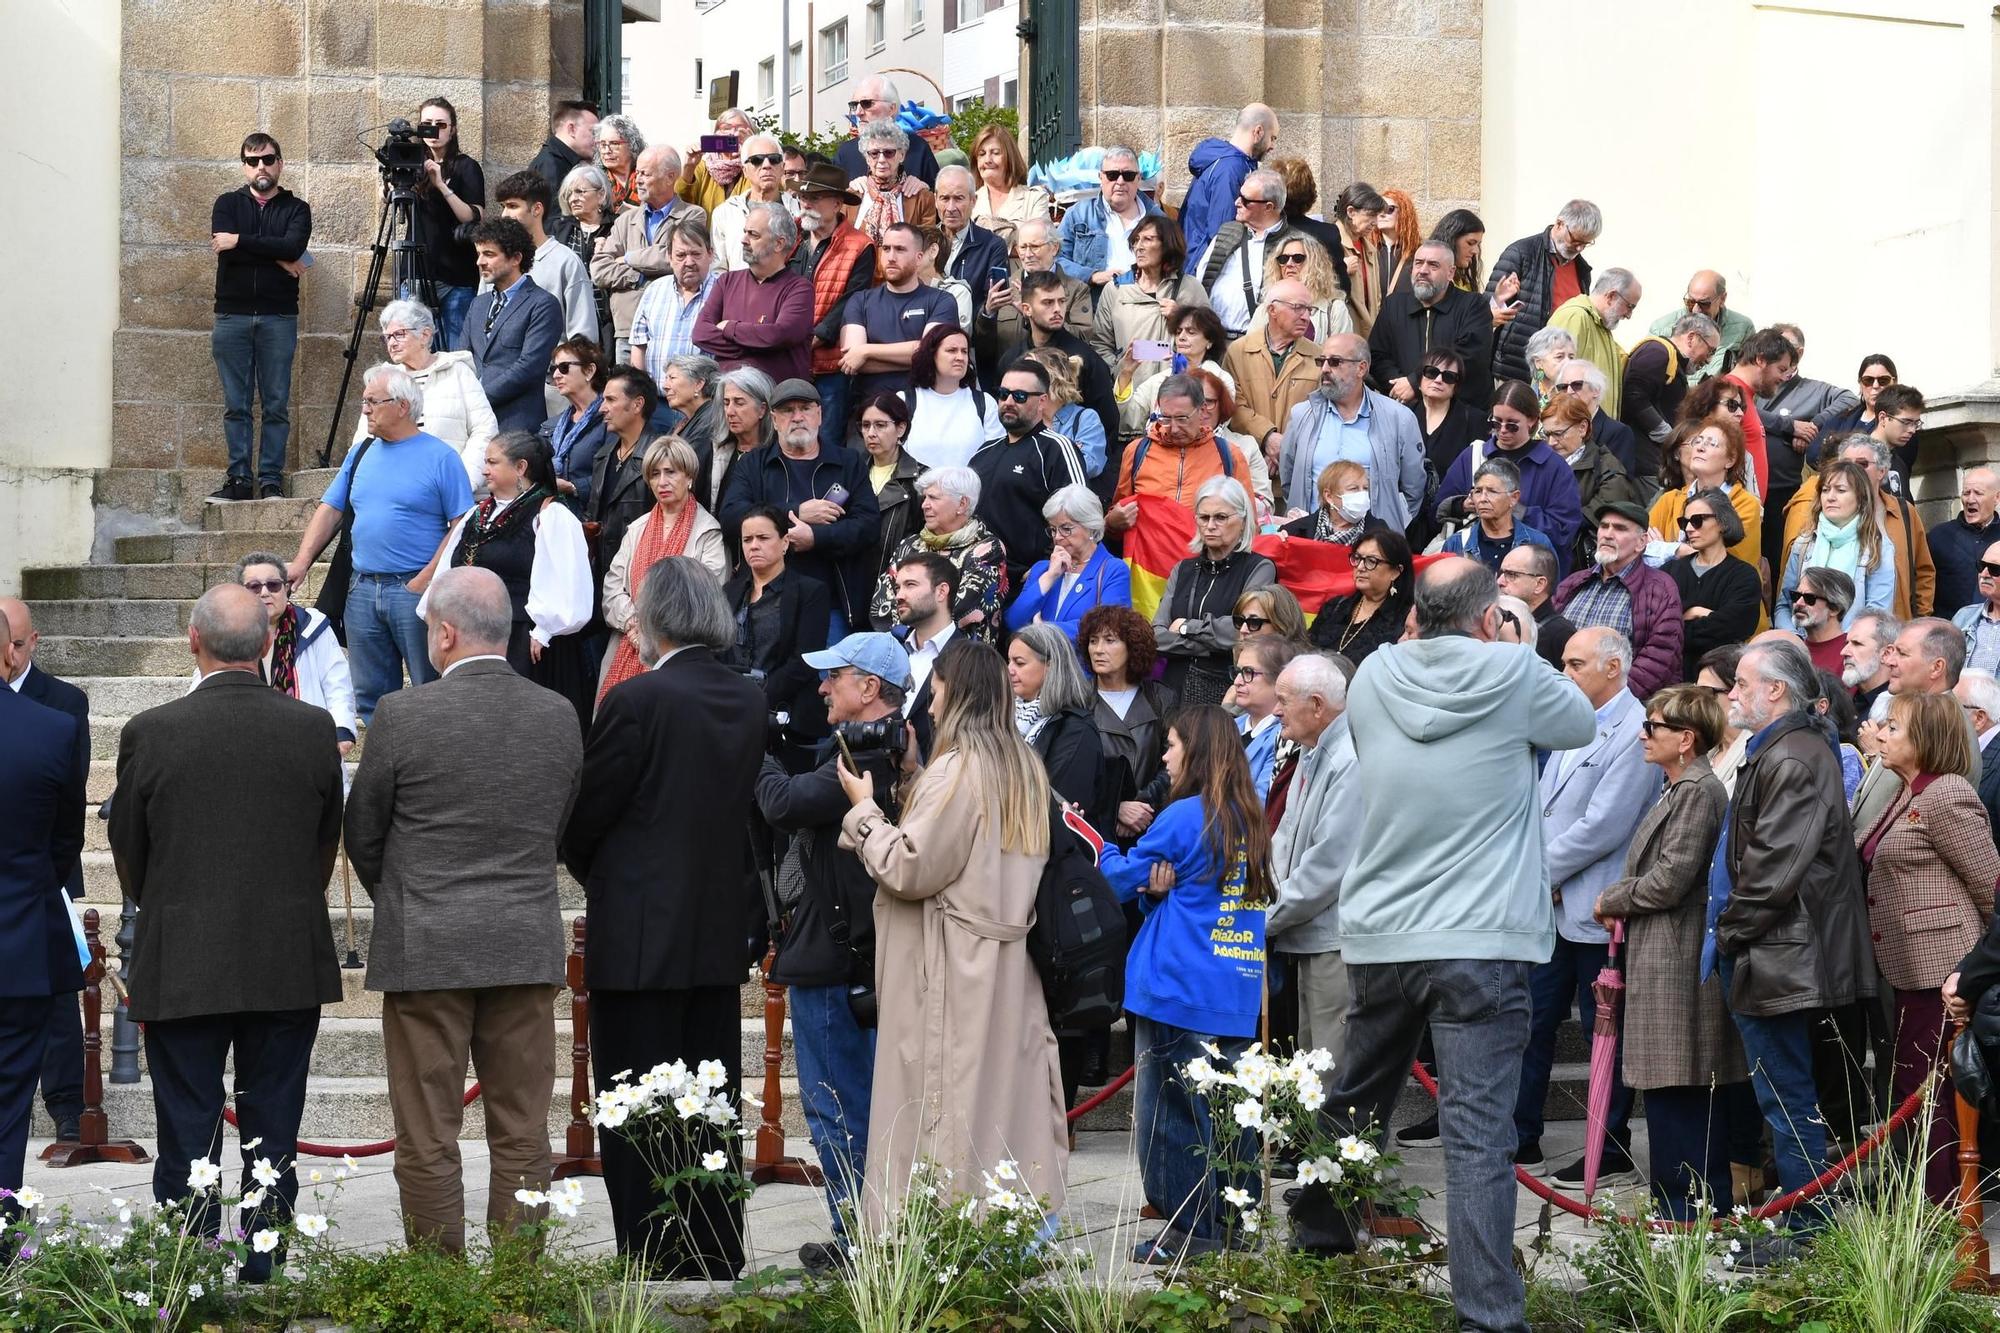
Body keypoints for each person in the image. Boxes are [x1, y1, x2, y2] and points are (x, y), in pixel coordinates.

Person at [1288, 557, 1595, 1333]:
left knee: (1355, 1099)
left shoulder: (1376, 675)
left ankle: (1318, 1236)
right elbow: (1580, 722)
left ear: (1415, 609)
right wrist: (1515, 648)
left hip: (1384, 929)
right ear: (1491, 616)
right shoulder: (1514, 671)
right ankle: (1488, 1318)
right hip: (1483, 937)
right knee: (1480, 1137)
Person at [341, 564, 584, 1251]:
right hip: (523, 939)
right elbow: (560, 824)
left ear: (446, 632)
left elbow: (364, 831)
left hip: (427, 947)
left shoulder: (403, 712)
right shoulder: (557, 713)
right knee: (522, 1128)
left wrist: (412, 895)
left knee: (426, 1131)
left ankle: (440, 1292)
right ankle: (514, 1289)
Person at [109, 584, 341, 1279]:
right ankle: (261, 1264)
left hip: (184, 950)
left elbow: (130, 853)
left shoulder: (150, 731)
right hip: (282, 951)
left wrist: (172, 899)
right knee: (273, 1120)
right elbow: (324, 845)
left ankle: (190, 1260)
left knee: (186, 1120)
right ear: (269, 644)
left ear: (193, 641)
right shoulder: (311, 728)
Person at [563, 558, 764, 1275]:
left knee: (638, 1106)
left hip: (640, 933)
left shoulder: (637, 699)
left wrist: (607, 878)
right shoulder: (744, 698)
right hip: (713, 930)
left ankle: (654, 1252)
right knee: (709, 1103)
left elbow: (586, 816)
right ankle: (714, 1246)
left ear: (655, 618)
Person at [834, 639, 1066, 1226]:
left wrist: (863, 810)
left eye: (934, 693)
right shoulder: (1023, 765)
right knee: (1001, 1107)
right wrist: (915, 778)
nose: (929, 709)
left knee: (942, 1110)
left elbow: (911, 867)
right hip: (1007, 962)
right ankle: (1009, 1231)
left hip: (949, 967)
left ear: (955, 693)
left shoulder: (961, 768)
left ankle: (935, 1241)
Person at [1710, 638, 1876, 1260]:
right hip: (1776, 947)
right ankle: (1807, 1224)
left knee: (1786, 1098)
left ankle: (1808, 1233)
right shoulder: (1786, 749)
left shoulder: (1796, 755)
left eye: (1742, 684)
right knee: (1784, 1095)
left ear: (1776, 691)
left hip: (1780, 950)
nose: (1730, 694)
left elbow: (1774, 871)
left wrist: (1728, 932)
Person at [754, 633, 909, 1272]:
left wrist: (753, 748)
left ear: (868, 688)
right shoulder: (890, 744)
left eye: (833, 677)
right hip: (860, 956)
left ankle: (861, 1240)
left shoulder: (867, 756)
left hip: (838, 961)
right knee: (861, 1103)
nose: (821, 688)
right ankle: (877, 1233)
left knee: (837, 1105)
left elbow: (782, 803)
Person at [1099, 705, 1272, 1263]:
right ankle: (1232, 1224)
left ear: (1194, 753)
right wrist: (1160, 891)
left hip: (1177, 983)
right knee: (1230, 1114)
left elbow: (1122, 878)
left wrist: (1097, 848)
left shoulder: (1181, 815)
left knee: (1171, 1117)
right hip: (1234, 982)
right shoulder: (1249, 814)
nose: (1166, 756)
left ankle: (1186, 1230)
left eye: (1172, 746)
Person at [1589, 683, 1744, 1220]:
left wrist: (1611, 897)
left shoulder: (1698, 791)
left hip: (1677, 959)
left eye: (1653, 727)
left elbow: (1673, 878)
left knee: (1680, 1081)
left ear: (1686, 738)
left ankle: (1690, 1206)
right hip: (1661, 953)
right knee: (1667, 1083)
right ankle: (1678, 1203)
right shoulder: (1677, 788)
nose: (1642, 734)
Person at [1513, 627, 1660, 1181]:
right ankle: (1521, 1134)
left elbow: (1605, 824)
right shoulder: (1572, 720)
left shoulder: (1635, 728)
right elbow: (1543, 804)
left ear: (1614, 667)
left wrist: (1540, 872)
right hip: (1550, 903)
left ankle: (1610, 1143)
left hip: (1595, 903)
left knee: (1605, 1030)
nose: (1565, 673)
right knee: (1532, 1019)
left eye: (1577, 664)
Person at [1859, 691, 1999, 1204]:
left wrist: (1974, 973)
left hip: (1944, 972)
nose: (1883, 734)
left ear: (1926, 739)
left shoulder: (1947, 795)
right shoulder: (1904, 793)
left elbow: (1991, 888)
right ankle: (1923, 1202)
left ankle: (1940, 1211)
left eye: (1894, 727)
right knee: (1915, 1090)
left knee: (1932, 1094)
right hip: (1908, 969)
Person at [286, 364, 474, 721]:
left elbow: (462, 523)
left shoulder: (441, 457)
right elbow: (330, 509)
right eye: (364, 401)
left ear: (402, 406)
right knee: (370, 696)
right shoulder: (360, 453)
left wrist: (427, 577)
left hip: (415, 591)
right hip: (361, 589)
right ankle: (385, 766)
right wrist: (301, 561)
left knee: (429, 686)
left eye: (373, 401)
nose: (365, 409)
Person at [414, 432, 595, 726]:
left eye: (492, 462)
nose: (485, 470)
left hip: (526, 645)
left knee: (518, 725)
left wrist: (545, 631)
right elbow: (447, 573)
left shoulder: (551, 515)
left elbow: (567, 581)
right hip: (470, 639)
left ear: (520, 467)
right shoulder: (476, 515)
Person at [0, 602, 84, 1223]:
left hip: (24, 938)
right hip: (20, 941)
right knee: (8, 1107)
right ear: (10, 653)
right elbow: (63, 848)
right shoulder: (51, 730)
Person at [717, 377, 882, 638]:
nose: (797, 417)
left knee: (829, 679)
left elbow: (869, 525)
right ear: (773, 419)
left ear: (819, 414)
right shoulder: (753, 464)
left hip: (834, 605)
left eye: (805, 408)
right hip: (766, 600)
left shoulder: (848, 463)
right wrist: (795, 513)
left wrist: (815, 538)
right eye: (787, 410)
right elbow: (730, 517)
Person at [1264, 653, 1357, 1075]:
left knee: (1330, 1069)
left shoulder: (1349, 759)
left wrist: (1266, 917)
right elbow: (1283, 839)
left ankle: (1335, 1144)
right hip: (1306, 933)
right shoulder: (1311, 749)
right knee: (1309, 1066)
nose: (1276, 709)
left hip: (1333, 940)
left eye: (1284, 700)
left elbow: (1327, 865)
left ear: (1317, 705)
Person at [208, 132, 312, 501]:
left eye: (267, 159)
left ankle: (270, 478)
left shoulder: (296, 209)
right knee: (236, 405)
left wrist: (242, 241)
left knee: (276, 403)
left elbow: (293, 246)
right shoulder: (227, 203)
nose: (261, 167)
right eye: (253, 162)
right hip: (232, 317)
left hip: (278, 317)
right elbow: (226, 252)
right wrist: (277, 257)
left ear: (280, 163)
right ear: (244, 167)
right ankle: (239, 478)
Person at [1273, 332, 1427, 532]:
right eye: (1322, 361)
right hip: (1311, 541)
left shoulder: (1399, 418)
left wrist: (1390, 525)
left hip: (1373, 543)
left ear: (1361, 368)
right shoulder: (1302, 414)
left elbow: (1413, 488)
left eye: (1335, 362)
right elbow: (1289, 480)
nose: (1325, 369)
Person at [348, 299, 500, 491]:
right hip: (398, 493)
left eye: (398, 334)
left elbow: (485, 429)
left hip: (455, 490)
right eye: (387, 337)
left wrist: (461, 482)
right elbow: (363, 441)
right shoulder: (382, 381)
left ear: (425, 335)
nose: (391, 343)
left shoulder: (458, 372)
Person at [724, 504, 833, 771]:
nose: (753, 546)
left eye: (763, 538)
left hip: (788, 719)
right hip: (732, 716)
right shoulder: (728, 592)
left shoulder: (811, 591)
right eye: (747, 540)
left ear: (785, 543)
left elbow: (804, 661)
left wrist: (756, 700)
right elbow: (719, 652)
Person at [1436, 380, 1586, 573]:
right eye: (1496, 423)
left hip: (1529, 574)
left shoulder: (1554, 467)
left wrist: (1515, 510)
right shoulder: (1473, 456)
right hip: (1472, 570)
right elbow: (1436, 512)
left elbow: (1565, 531)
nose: (1503, 430)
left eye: (1512, 425)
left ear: (1532, 420)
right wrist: (1462, 505)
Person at [1152, 476, 1276, 705]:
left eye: (1220, 517)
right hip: (1171, 691)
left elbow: (1241, 632)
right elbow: (1157, 637)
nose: (1210, 525)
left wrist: (1186, 627)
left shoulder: (1259, 568)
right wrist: (1209, 646)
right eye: (1204, 517)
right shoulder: (1183, 569)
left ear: (1242, 520)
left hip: (1224, 691)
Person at [969, 359, 1089, 589]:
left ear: (1042, 401)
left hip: (1029, 582)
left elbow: (1080, 516)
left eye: (1020, 396)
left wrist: (1045, 568)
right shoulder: (984, 451)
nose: (1009, 402)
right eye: (1003, 394)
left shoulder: (1057, 448)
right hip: (978, 579)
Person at [1554, 500, 1685, 698]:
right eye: (1604, 526)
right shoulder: (1574, 583)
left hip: (1622, 708)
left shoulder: (1661, 589)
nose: (1607, 534)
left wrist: (1607, 700)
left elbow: (1659, 659)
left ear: (1641, 542)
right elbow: (1547, 637)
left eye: (1620, 529)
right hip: (1561, 696)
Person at [225, 556, 357, 751]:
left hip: (306, 741)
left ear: (286, 588)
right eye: (254, 587)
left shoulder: (311, 626)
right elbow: (206, 680)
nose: (264, 593)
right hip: (246, 744)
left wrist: (342, 729)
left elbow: (337, 682)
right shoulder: (227, 632)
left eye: (273, 585)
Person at [1092, 215, 1212, 430]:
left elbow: (1210, 341)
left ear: (1167, 244)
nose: (1139, 246)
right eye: (1136, 240)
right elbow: (1100, 344)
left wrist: (1182, 317)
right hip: (1129, 397)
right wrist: (1120, 368)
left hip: (1177, 400)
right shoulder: (1117, 289)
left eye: (1148, 239)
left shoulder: (1189, 288)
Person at [788, 164, 878, 447]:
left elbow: (853, 299)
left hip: (830, 364)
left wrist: (818, 335)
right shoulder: (791, 237)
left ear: (837, 203)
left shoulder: (860, 245)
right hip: (788, 357)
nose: (806, 203)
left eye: (815, 198)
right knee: (786, 440)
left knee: (826, 441)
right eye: (804, 198)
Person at [590, 146, 707, 361]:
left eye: (645, 173)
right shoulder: (625, 219)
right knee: (629, 392)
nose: (638, 180)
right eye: (637, 173)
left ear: (670, 177)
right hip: (628, 329)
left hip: (672, 327)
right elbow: (599, 269)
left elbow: (675, 258)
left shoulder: (692, 215)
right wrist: (639, 276)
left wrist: (628, 258)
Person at [868, 465, 1009, 639]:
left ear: (962, 504)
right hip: (902, 649)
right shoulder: (910, 545)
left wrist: (914, 627)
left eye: (933, 498)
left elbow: (962, 610)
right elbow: (881, 605)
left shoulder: (987, 549)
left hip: (961, 657)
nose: (924, 505)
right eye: (924, 497)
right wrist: (909, 638)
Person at [462, 218, 565, 434]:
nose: (479, 262)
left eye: (489, 254)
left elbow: (529, 366)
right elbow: (462, 358)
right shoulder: (478, 304)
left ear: (516, 258)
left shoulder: (542, 304)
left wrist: (478, 398)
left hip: (517, 424)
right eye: (478, 254)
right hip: (473, 425)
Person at [1009, 622, 1115, 831]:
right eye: (1009, 661)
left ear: (1051, 666)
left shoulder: (1077, 730)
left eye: (1019, 663)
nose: (1009, 670)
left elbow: (1059, 803)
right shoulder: (1005, 715)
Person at [839, 222, 960, 403]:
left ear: (919, 257)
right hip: (870, 412)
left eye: (900, 249)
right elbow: (853, 361)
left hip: (924, 409)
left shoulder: (942, 301)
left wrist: (866, 350)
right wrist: (915, 355)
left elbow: (932, 353)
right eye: (886, 249)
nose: (891, 257)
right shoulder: (860, 301)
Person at [693, 203, 814, 385]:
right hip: (728, 401)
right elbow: (700, 333)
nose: (743, 240)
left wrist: (730, 328)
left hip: (776, 403)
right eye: (745, 232)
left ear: (779, 244)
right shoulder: (726, 282)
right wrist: (758, 347)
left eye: (753, 235)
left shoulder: (799, 289)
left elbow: (779, 335)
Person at [1369, 240, 1494, 411]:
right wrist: (1399, 386)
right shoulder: (1394, 306)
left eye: (1433, 265)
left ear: (1451, 273)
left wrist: (1415, 383)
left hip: (1461, 414)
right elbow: (1377, 355)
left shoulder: (1473, 306)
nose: (1423, 271)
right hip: (1406, 410)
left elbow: (1469, 357)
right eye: (1418, 263)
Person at [1485, 198, 1600, 385]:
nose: (1579, 248)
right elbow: (1487, 310)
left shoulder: (1582, 270)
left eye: (1585, 244)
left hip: (1558, 375)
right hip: (1516, 368)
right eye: (1576, 240)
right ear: (1559, 223)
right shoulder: (1521, 253)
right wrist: (1498, 302)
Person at [1775, 460, 1895, 632]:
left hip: (1848, 649)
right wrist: (1794, 640)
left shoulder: (1877, 547)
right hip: (1802, 646)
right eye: (1825, 490)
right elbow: (1784, 604)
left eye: (1841, 490)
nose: (1830, 497)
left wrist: (1842, 645)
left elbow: (1878, 613)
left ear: (1860, 499)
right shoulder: (1804, 543)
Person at [409, 98, 486, 351]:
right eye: (427, 124)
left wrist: (441, 184)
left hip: (456, 276)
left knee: (455, 355)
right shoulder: (411, 166)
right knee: (415, 353)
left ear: (452, 129)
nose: (434, 131)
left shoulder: (466, 167)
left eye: (441, 124)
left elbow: (473, 216)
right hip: (417, 274)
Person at [1006, 484, 1131, 639]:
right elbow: (1013, 621)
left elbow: (1109, 626)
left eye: (1066, 528)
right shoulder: (1042, 570)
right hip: (1039, 662)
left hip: (1080, 662)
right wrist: (1050, 576)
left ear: (1090, 527)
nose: (1057, 537)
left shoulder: (1113, 570)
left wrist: (1045, 630)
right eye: (1053, 529)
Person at [1224, 279, 1323, 472]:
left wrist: (1285, 447)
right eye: (1298, 308)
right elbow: (1232, 405)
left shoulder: (1319, 357)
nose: (1306, 317)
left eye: (1309, 310)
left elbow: (1321, 412)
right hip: (1250, 466)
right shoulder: (1238, 351)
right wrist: (1267, 437)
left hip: (1299, 467)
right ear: (1272, 310)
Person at [1663, 488, 1763, 681]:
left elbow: (1735, 628)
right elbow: (1652, 623)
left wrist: (1682, 618)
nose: (1689, 528)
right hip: (1670, 681)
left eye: (1697, 520)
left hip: (1719, 684)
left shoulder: (1744, 576)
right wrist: (1703, 614)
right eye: (1684, 522)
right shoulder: (1670, 571)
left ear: (1722, 522)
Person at [1192, 168, 1303, 340]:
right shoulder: (1227, 232)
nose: (1237, 202)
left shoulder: (1294, 245)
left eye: (1246, 200)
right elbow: (1201, 281)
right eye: (1239, 195)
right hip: (1213, 340)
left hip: (1257, 344)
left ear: (1268, 207)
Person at [583, 366, 671, 575]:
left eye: (611, 400)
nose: (602, 408)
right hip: (601, 573)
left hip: (641, 572)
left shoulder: (661, 456)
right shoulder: (603, 456)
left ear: (637, 404)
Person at [491, 170, 597, 340]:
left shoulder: (565, 261)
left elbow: (582, 334)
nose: (504, 215)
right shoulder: (493, 259)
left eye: (512, 206)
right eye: (503, 207)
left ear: (537, 209)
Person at [1647, 417, 1763, 572]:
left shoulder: (1746, 504)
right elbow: (1639, 548)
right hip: (1668, 593)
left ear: (1730, 460)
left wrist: (1668, 550)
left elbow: (1723, 563)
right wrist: (1686, 551)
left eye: (1711, 443)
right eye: (1698, 441)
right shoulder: (1669, 500)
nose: (1700, 447)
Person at [1540, 394, 1639, 569]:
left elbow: (1597, 517)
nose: (1551, 442)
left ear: (1583, 428)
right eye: (1546, 434)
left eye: (1558, 433)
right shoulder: (1540, 462)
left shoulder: (1607, 467)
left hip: (1580, 562)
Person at [1178, 104, 1281, 270]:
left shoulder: (1228, 162)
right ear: (1258, 132)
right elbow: (1223, 233)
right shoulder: (1231, 169)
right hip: (1204, 269)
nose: (1272, 146)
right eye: (1273, 138)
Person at [1620, 311, 1719, 480]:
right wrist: (1666, 435)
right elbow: (1634, 394)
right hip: (1642, 462)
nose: (1709, 360)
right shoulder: (1657, 351)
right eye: (1710, 351)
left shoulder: (1672, 361)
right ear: (1692, 338)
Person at [1056, 146, 1165, 299]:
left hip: (1145, 308)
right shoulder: (1078, 214)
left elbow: (1175, 265)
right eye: (1112, 175)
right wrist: (1092, 276)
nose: (1120, 182)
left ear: (1138, 178)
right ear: (1101, 178)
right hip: (1093, 308)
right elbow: (1055, 260)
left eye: (1128, 175)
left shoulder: (1159, 219)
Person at [628, 218, 720, 389]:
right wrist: (641, 392)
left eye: (696, 254)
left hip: (706, 404)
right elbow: (639, 345)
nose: (689, 262)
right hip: (656, 402)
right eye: (681, 255)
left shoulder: (724, 290)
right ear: (670, 257)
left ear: (710, 254)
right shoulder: (654, 290)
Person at [901, 324, 1002, 469]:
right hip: (915, 490)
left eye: (964, 351)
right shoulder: (904, 401)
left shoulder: (985, 403)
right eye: (952, 350)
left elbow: (994, 459)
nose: (960, 357)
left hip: (969, 490)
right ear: (931, 354)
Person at [1545, 268, 1639, 421]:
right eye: (1630, 306)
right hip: (1573, 429)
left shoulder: (1602, 325)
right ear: (1611, 296)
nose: (1629, 315)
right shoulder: (1575, 317)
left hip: (1591, 429)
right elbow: (1553, 378)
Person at [1716, 328, 1795, 499]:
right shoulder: (1727, 394)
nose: (1783, 378)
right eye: (1781, 369)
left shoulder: (1744, 395)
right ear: (1760, 359)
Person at [1245, 227, 1355, 349]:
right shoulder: (1266, 308)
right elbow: (1249, 350)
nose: (1289, 264)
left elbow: (1342, 356)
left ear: (1316, 264)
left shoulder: (1334, 309)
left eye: (1298, 258)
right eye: (1283, 259)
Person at [1442, 457, 1555, 574]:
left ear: (1514, 498)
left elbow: (1548, 589)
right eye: (1478, 491)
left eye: (1492, 491)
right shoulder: (1456, 543)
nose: (1482, 499)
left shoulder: (1538, 543)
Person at [551, 163, 619, 349]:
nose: (573, 199)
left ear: (601, 195)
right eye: (569, 194)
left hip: (608, 315)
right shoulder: (561, 228)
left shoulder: (617, 227)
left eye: (580, 192)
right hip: (570, 315)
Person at [855, 393, 924, 567]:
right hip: (851, 578)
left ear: (900, 428)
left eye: (880, 425)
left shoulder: (921, 480)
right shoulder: (850, 472)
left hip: (897, 577)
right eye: (865, 425)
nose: (871, 433)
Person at [833, 74, 942, 185]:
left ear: (892, 109)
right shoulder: (845, 153)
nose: (858, 113)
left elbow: (940, 196)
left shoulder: (918, 148)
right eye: (854, 105)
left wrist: (923, 189)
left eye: (867, 103)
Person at [1647, 270, 1751, 384]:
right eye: (1690, 302)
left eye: (1704, 303)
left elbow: (1748, 375)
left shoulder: (1742, 328)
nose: (1696, 309)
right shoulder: (1661, 328)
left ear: (1722, 299)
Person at [932, 166, 1010, 319]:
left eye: (959, 198)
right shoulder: (922, 241)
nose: (951, 208)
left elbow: (993, 307)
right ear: (935, 200)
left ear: (973, 201)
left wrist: (987, 311)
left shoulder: (992, 246)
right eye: (945, 198)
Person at [540, 334, 608, 508]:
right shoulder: (553, 425)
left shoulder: (610, 420)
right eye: (553, 368)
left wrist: (573, 487)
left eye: (564, 367)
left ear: (589, 371)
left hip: (589, 518)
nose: (556, 375)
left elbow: (616, 475)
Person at [1231, 635, 1300, 800]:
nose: (1237, 681)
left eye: (1248, 672)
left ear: (1279, 678)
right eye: (1238, 672)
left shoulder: (1285, 737)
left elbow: (1260, 806)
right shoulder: (1230, 726)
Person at [1551, 358, 1641, 484]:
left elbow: (1619, 485)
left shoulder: (1618, 433)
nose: (1569, 392)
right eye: (1563, 387)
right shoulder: (1553, 431)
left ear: (1596, 390)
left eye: (1577, 385)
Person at [849, 120, 938, 247]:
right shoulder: (851, 197)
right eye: (874, 153)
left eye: (889, 153)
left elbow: (926, 247)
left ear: (902, 155)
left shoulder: (922, 198)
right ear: (867, 158)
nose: (881, 160)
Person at [701, 365, 776, 514]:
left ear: (762, 409)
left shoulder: (778, 454)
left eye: (739, 403)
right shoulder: (712, 451)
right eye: (726, 403)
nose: (729, 412)